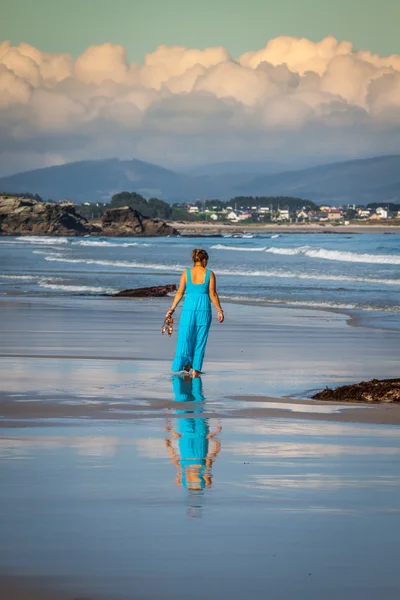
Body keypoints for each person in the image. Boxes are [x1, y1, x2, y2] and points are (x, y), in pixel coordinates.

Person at [166, 249, 224, 377]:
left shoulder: (186, 273)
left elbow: (180, 292)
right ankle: (195, 369)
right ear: (204, 260)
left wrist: (172, 309)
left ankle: (185, 362)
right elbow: (213, 294)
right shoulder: (209, 274)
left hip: (188, 309)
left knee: (185, 337)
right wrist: (219, 310)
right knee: (200, 339)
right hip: (204, 309)